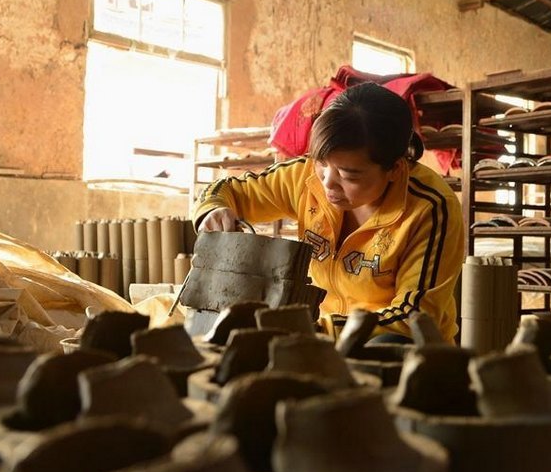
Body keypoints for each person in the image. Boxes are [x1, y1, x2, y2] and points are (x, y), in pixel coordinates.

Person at [192, 82, 465, 342]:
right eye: (321, 163)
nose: (327, 183)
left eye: (349, 175)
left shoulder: (430, 208)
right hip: (317, 334)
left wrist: (314, 330)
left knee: (389, 343)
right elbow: (227, 190)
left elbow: (415, 317)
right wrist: (213, 210)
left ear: (394, 169)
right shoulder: (305, 177)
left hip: (393, 346)